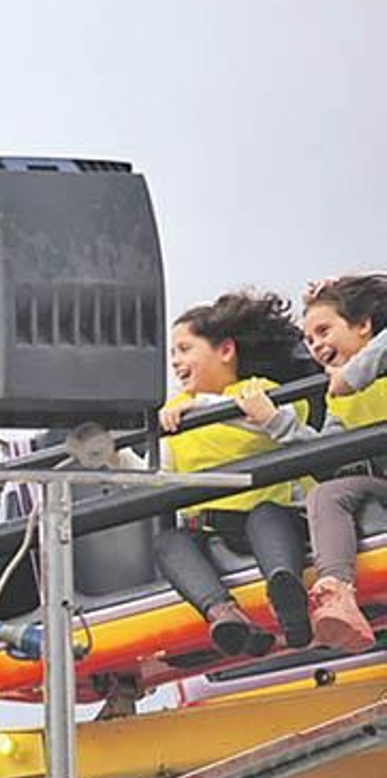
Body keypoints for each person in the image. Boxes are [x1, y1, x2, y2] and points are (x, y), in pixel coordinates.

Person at [154, 291, 312, 656]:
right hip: (214, 530)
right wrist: (111, 458)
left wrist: (201, 407)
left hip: (274, 519)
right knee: (168, 542)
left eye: (184, 349)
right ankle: (223, 612)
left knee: (265, 516)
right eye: (172, 354)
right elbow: (160, 472)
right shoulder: (175, 411)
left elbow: (268, 419)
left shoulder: (257, 388)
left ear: (225, 350)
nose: (176, 362)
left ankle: (285, 591)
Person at [235, 274, 386, 652]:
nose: (317, 345)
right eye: (310, 339)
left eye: (324, 331)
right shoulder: (336, 395)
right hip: (378, 482)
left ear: (364, 325)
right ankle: (336, 594)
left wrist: (355, 373)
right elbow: (327, 452)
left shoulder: (365, 369)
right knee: (326, 493)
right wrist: (275, 421)